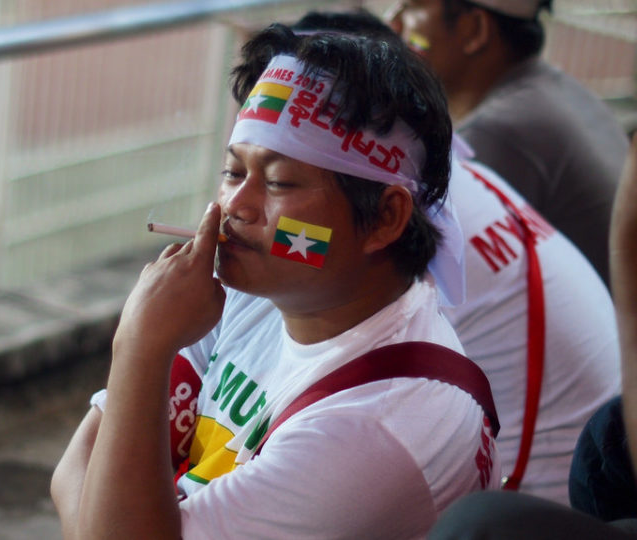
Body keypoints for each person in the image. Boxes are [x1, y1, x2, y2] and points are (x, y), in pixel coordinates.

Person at [51, 24, 499, 539]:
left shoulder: (375, 429)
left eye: (279, 182)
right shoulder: (260, 290)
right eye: (233, 171)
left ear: (384, 218)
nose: (234, 207)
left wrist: (139, 347)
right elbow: (71, 473)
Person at [293, 8, 620, 505]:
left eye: (275, 176)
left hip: (549, 501)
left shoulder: (401, 202)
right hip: (603, 466)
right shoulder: (449, 163)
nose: (397, 18)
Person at [427, 136, 637, 540]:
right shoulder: (464, 169)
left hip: (535, 486)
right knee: (605, 438)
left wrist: (628, 255)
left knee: (476, 527)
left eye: (280, 181)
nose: (262, 204)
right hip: (584, 474)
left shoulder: (500, 133)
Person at [387, 0, 628, 285]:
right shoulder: (554, 90)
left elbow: (415, 273)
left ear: (474, 30)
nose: (395, 22)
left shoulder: (498, 132)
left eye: (414, 6)